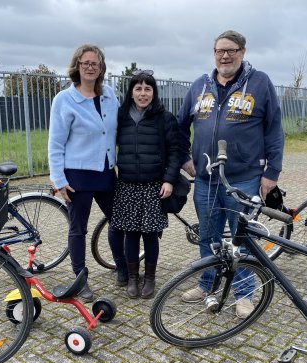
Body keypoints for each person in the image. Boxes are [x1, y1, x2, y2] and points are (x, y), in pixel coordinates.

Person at [177, 30, 284, 318]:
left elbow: (274, 129)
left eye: (231, 50)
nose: (225, 56)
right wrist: (185, 158)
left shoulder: (260, 83)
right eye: (219, 51)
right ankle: (207, 284)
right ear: (214, 54)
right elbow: (178, 127)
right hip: (205, 180)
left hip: (245, 177)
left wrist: (271, 172)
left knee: (242, 239)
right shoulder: (200, 85)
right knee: (208, 237)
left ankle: (244, 294)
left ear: (242, 51)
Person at [48, 44, 127, 302]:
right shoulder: (64, 100)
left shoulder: (110, 96)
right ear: (77, 67)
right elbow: (55, 143)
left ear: (101, 67)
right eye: (86, 63)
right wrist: (59, 180)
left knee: (119, 220)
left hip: (106, 172)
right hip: (77, 177)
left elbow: (118, 130)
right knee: (78, 229)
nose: (90, 67)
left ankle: (122, 268)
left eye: (95, 63)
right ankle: (80, 281)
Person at [112, 70, 183, 299]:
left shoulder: (165, 118)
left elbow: (175, 151)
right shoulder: (120, 116)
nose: (143, 93)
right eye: (138, 88)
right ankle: (133, 277)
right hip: (127, 185)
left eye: (148, 89)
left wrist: (169, 180)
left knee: (151, 235)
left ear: (154, 92)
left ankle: (150, 278)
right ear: (131, 92)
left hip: (155, 186)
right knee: (130, 234)